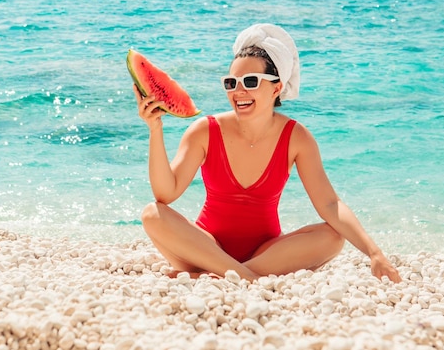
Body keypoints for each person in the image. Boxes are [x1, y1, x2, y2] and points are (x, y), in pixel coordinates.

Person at [133, 23, 401, 283]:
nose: (239, 91)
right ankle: (244, 277)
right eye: (231, 82)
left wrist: (374, 253)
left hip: (268, 254)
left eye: (250, 81)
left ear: (276, 87)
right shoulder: (205, 130)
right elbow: (166, 194)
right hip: (203, 248)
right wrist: (155, 130)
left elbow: (330, 205)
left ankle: (217, 275)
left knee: (333, 237)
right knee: (152, 214)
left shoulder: (297, 137)